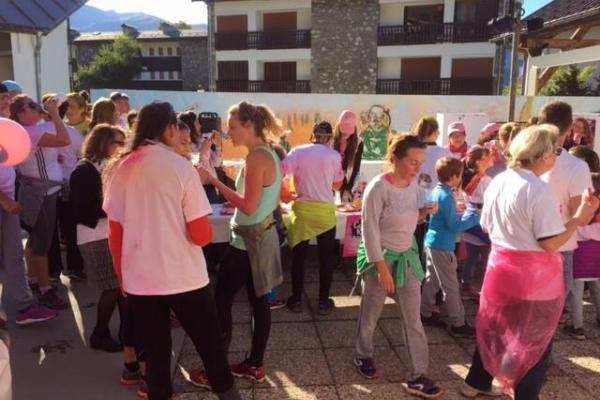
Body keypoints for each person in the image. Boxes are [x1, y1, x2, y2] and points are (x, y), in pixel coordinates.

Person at [103, 102, 241, 400]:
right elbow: (202, 235)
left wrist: (123, 278)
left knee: (156, 359)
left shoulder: (120, 168)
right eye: (178, 126)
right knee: (212, 351)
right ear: (168, 129)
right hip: (185, 278)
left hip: (140, 280)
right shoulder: (181, 168)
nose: (181, 132)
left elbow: (115, 233)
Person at [461, 124, 598, 399]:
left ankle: (476, 381)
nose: (557, 157)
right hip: (534, 277)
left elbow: (486, 226)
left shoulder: (500, 180)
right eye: (555, 151)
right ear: (542, 155)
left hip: (500, 270)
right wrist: (579, 219)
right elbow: (550, 242)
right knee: (537, 340)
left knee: (496, 328)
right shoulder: (538, 190)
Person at [193, 101, 283, 384]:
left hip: (246, 243)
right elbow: (260, 201)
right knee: (259, 303)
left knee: (221, 301)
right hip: (262, 235)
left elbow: (247, 205)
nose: (229, 132)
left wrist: (214, 182)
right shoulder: (270, 152)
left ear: (248, 126)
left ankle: (215, 372)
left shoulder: (257, 157)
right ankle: (255, 364)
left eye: (233, 127)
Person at [354, 134, 442, 398]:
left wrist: (425, 213)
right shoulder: (378, 188)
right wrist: (381, 269)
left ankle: (418, 374)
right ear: (395, 159)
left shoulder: (414, 185)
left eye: (421, 162)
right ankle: (362, 354)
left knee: (413, 318)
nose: (418, 167)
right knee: (371, 313)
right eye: (413, 161)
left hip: (406, 258)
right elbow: (369, 231)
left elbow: (406, 221)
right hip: (379, 258)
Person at [11, 95, 71, 310]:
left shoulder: (29, 131)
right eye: (32, 106)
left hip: (39, 190)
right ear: (20, 113)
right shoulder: (32, 131)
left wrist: (55, 159)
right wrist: (54, 113)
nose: (37, 108)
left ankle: (34, 279)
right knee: (42, 243)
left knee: (36, 238)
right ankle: (45, 290)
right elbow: (65, 140)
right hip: (42, 192)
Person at [71, 124, 126, 351]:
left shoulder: (108, 168)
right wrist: (122, 206)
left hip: (111, 233)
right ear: (103, 143)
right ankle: (100, 333)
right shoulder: (84, 170)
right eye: (118, 143)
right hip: (95, 237)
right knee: (112, 287)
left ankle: (127, 330)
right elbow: (84, 212)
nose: (123, 148)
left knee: (122, 287)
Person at [539, 101, 593, 321]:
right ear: (570, 126)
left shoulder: (521, 159)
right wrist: (594, 204)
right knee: (548, 319)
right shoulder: (576, 166)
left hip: (521, 245)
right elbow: (580, 217)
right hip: (559, 247)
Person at [283, 121, 344, 315]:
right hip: (324, 212)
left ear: (313, 135)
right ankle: (323, 301)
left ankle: (296, 299)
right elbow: (336, 185)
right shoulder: (334, 156)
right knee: (326, 259)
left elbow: (283, 172)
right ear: (329, 138)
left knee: (298, 258)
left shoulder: (297, 151)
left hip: (301, 210)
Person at [420, 157, 480, 337]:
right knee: (451, 286)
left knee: (432, 280)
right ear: (454, 177)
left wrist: (457, 211)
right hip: (443, 245)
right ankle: (458, 323)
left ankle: (425, 312)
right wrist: (475, 217)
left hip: (432, 241)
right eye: (460, 175)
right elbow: (454, 227)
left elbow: (437, 216)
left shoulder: (437, 191)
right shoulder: (447, 197)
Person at [565, 145, 600, 340]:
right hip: (598, 250)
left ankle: (577, 326)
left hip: (580, 249)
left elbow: (576, 223)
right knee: (597, 286)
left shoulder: (582, 197)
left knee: (576, 291)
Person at [413, 117, 452, 271]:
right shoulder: (444, 152)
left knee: (414, 243)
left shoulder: (413, 150)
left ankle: (414, 274)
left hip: (414, 201)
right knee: (434, 246)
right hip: (437, 203)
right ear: (436, 133)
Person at [460, 145, 495, 297]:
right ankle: (487, 287)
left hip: (469, 220)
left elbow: (465, 199)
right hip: (482, 223)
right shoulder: (486, 180)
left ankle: (466, 283)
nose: (492, 158)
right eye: (489, 156)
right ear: (480, 161)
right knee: (488, 258)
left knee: (471, 257)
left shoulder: (466, 177)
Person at [333, 110, 364, 203]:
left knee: (348, 208)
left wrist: (347, 188)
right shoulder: (330, 140)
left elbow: (356, 168)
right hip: (330, 181)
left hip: (349, 181)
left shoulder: (358, 142)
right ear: (338, 126)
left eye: (349, 129)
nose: (345, 133)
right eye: (343, 129)